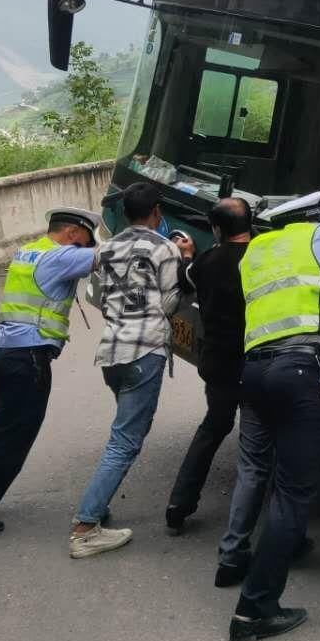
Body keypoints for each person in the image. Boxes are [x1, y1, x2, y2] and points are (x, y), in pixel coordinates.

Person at [227, 197, 320, 641]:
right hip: (300, 370)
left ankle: (287, 543)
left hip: (254, 374)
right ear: (310, 219)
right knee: (291, 494)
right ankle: (254, 610)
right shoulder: (316, 237)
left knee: (267, 468)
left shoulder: (255, 252)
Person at [0, 207, 102, 539]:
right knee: (10, 441)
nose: (86, 249)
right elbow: (109, 256)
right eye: (85, 241)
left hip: (5, 355)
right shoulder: (60, 256)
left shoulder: (28, 251)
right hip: (27, 360)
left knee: (2, 433)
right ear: (73, 233)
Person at [69, 182, 192, 559]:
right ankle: (86, 528)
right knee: (124, 442)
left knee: (119, 435)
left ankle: (98, 504)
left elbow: (105, 300)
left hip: (112, 353)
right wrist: (186, 261)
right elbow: (170, 302)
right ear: (156, 212)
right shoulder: (165, 248)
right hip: (144, 354)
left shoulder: (106, 249)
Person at [165, 197, 253, 535]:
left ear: (216, 229)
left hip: (218, 361)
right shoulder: (262, 258)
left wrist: (187, 252)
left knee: (213, 427)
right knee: (260, 436)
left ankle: (179, 504)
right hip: (255, 360)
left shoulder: (207, 263)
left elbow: (186, 278)